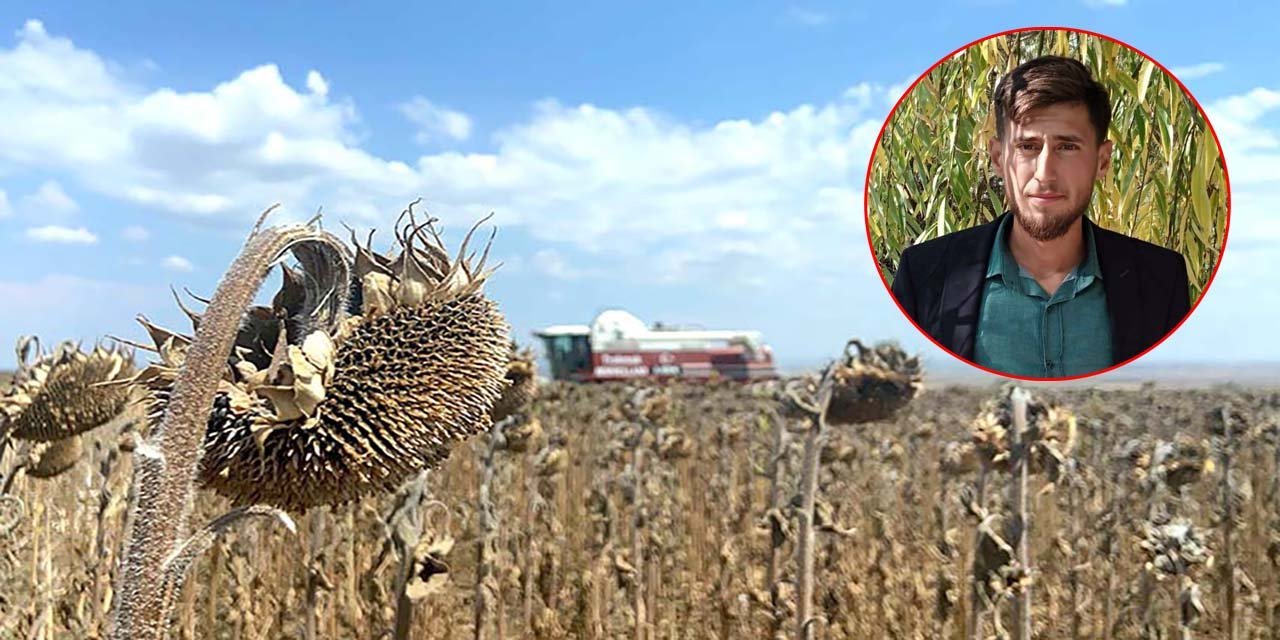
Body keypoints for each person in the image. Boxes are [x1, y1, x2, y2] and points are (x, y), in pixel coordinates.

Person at [890, 55, 1190, 378]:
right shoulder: (924, 280)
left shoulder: (1161, 282)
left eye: (1067, 147)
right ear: (998, 158)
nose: (1044, 174)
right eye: (1028, 147)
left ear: (1102, 162)